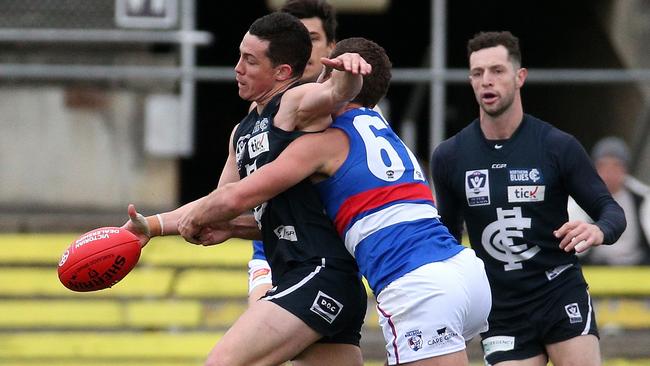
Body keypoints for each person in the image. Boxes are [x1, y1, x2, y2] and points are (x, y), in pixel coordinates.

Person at [178, 37, 492, 366]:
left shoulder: (326, 142)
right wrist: (234, 228)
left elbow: (239, 194)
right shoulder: (384, 130)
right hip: (463, 272)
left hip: (415, 283)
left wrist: (174, 222)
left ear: (333, 79)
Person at [123, 12, 372, 366]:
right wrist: (152, 226)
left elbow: (335, 92)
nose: (237, 67)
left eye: (250, 60)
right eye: (240, 55)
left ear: (282, 73)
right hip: (306, 275)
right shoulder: (241, 132)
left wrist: (349, 72)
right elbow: (219, 202)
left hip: (318, 272)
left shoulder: (293, 103)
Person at [430, 31, 626, 366]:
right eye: (478, 73)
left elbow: (611, 211)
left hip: (559, 292)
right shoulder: (450, 156)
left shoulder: (557, 146)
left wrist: (598, 231)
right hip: (501, 308)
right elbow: (445, 237)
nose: (486, 81)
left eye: (497, 71)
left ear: (520, 77)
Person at [248, 0, 339, 306]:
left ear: (331, 48)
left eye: (312, 39)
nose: (304, 48)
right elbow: (231, 197)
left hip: (327, 254)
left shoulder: (351, 110)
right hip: (270, 250)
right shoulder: (257, 112)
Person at [568, 136, 650, 265]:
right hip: (596, 266)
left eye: (616, 166)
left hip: (638, 266)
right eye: (603, 166)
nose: (609, 173)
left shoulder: (643, 198)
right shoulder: (578, 200)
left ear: (626, 169)